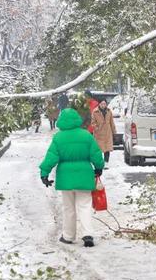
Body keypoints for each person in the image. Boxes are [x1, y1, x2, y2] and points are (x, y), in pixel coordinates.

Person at [39, 108, 105, 247]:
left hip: (66, 177)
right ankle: (87, 234)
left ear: (61, 121)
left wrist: (44, 173)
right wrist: (98, 167)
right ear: (77, 120)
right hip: (84, 175)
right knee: (85, 206)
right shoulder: (86, 135)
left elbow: (51, 157)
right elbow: (96, 154)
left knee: (69, 208)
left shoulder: (58, 138)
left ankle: (68, 236)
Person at [91, 99, 116, 164]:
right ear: (99, 104)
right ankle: (100, 162)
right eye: (102, 104)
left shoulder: (109, 111)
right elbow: (92, 122)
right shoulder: (95, 112)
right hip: (99, 134)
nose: (103, 105)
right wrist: (97, 128)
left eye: (104, 104)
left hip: (107, 133)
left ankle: (106, 162)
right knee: (98, 149)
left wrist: (114, 132)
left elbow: (112, 122)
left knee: (107, 149)